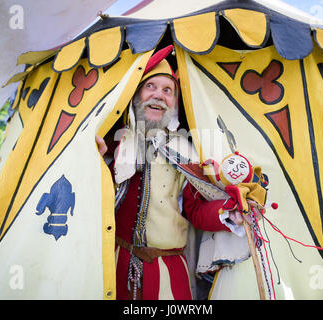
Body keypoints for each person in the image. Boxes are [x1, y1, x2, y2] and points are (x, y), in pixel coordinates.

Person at [95, 45, 257, 300]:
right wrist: (97, 163)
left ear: (175, 102)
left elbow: (195, 211)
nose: (159, 95)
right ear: (135, 95)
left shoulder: (187, 154)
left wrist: (229, 212)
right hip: (115, 265)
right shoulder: (115, 144)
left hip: (170, 274)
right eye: (151, 87)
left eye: (167, 90)